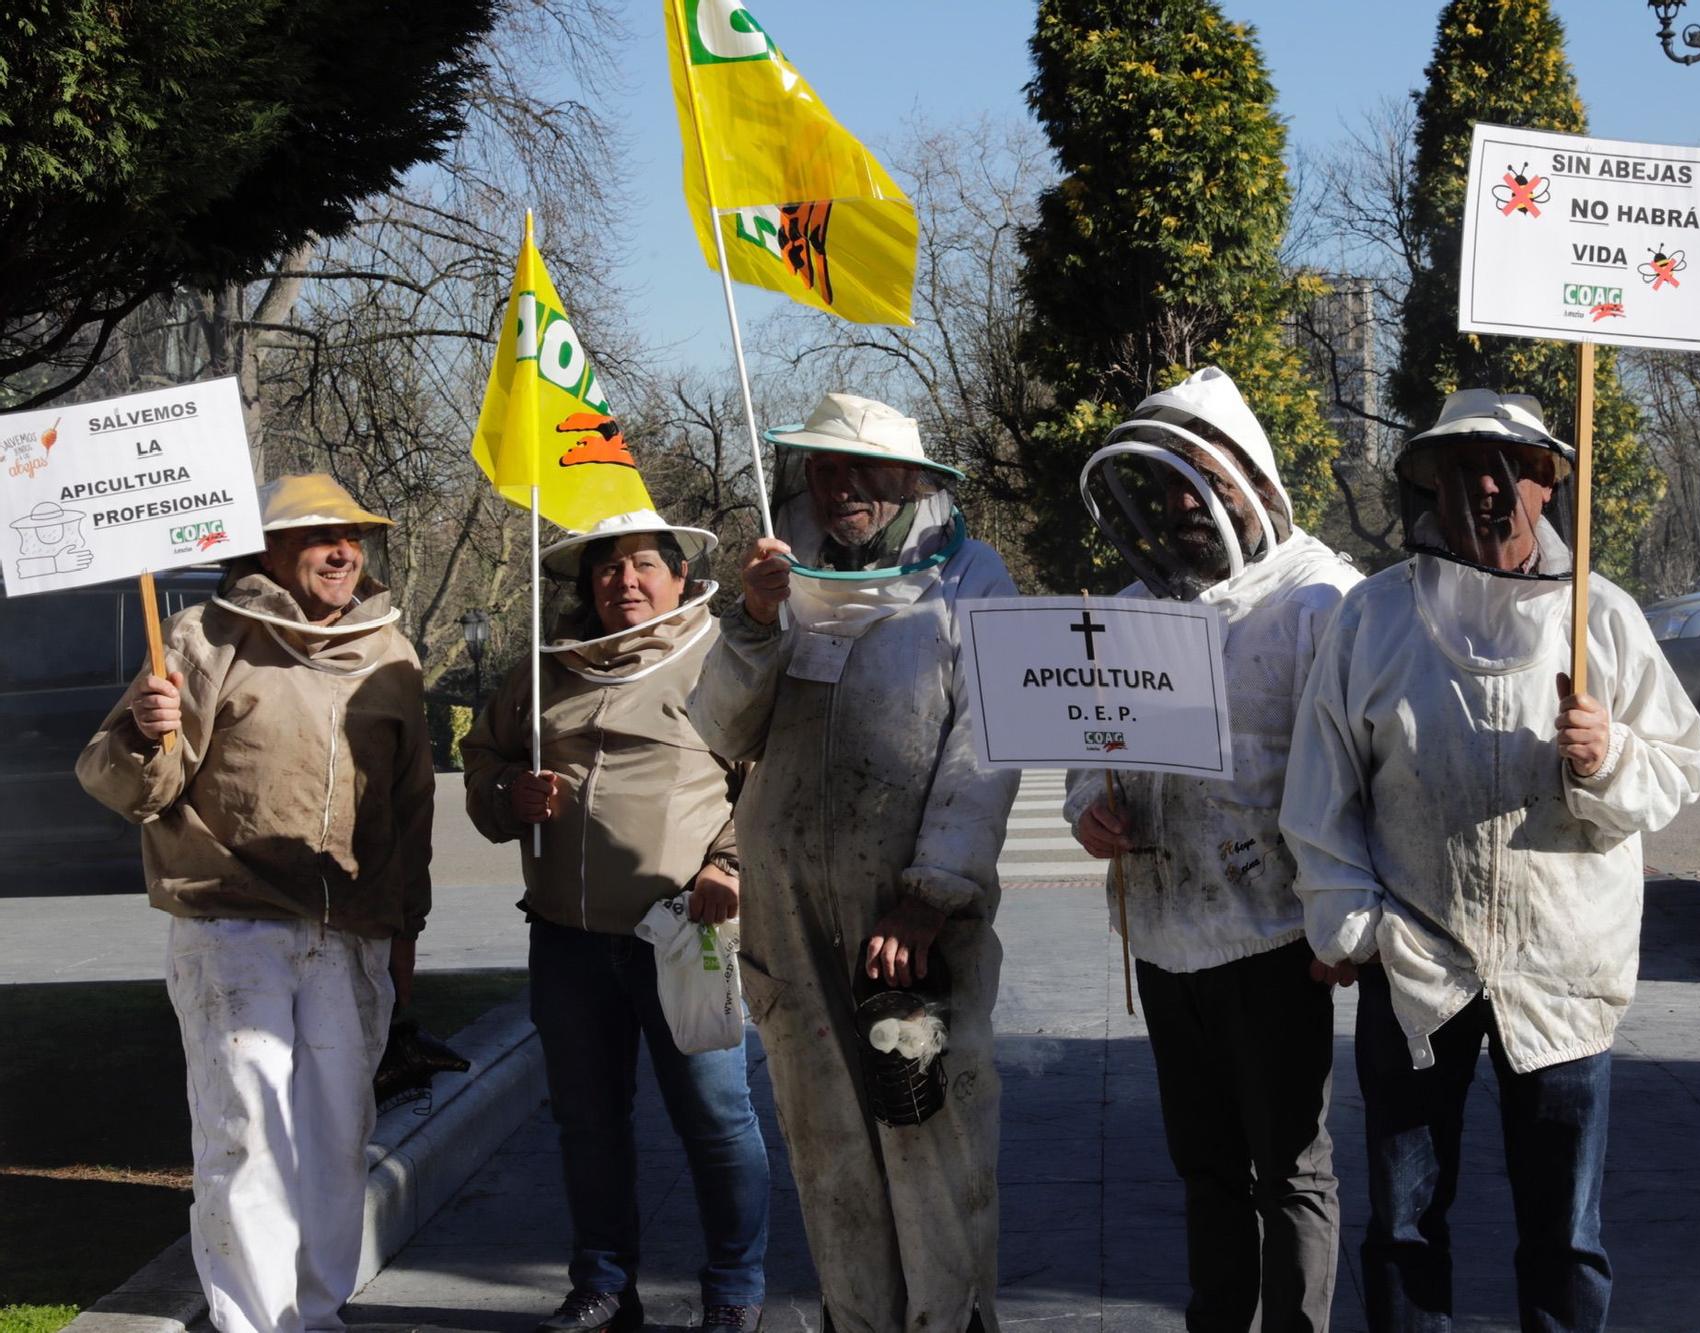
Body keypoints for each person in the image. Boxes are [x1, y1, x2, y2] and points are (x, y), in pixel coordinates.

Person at [1279, 390, 1700, 1333]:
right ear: (1431, 483)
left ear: (1549, 483)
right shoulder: (1375, 619)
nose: (1487, 486)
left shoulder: (1603, 620)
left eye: (1511, 465)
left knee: (1566, 1234)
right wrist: (1351, 923)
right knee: (1405, 1227)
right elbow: (1321, 788)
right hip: (1417, 963)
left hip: (1565, 969)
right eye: (1463, 466)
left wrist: (1610, 756)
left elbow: (1677, 768)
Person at [688, 392, 1019, 1333]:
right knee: (826, 1141)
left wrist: (929, 894)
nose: (842, 489)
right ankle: (856, 1317)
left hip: (911, 927)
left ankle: (950, 1321)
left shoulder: (972, 580)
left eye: (861, 468)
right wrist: (754, 621)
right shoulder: (781, 577)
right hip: (786, 922)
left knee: (930, 1132)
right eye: (824, 469)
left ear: (915, 479)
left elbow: (984, 751)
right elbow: (720, 727)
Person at [76, 473, 433, 1333]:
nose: (343, 551)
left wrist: (404, 932)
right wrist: (143, 729)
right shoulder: (201, 639)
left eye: (351, 535)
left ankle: (317, 1313)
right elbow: (127, 783)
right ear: (266, 551)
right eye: (318, 535)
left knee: (337, 1134)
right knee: (247, 1136)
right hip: (233, 925)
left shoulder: (392, 652)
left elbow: (410, 807)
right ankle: (254, 1323)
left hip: (350, 932)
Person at [1063, 366, 1363, 1333]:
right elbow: (1086, 742)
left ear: (1252, 476)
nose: (1188, 501)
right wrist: (1086, 808)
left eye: (1207, 477)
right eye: (1173, 480)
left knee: (1290, 1167)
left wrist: (1343, 917)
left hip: (1277, 935)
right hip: (1162, 931)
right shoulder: (1131, 603)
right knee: (1204, 1166)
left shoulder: (1322, 599)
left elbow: (1365, 770)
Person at [461, 509, 770, 1333]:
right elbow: (483, 756)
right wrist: (506, 793)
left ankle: (736, 1290)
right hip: (564, 936)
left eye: (642, 565)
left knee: (715, 1118)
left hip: (685, 936)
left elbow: (769, 778)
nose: (623, 582)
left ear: (678, 575)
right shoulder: (542, 671)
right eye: (606, 568)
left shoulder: (721, 657)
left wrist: (728, 864)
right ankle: (603, 1285)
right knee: (586, 1121)